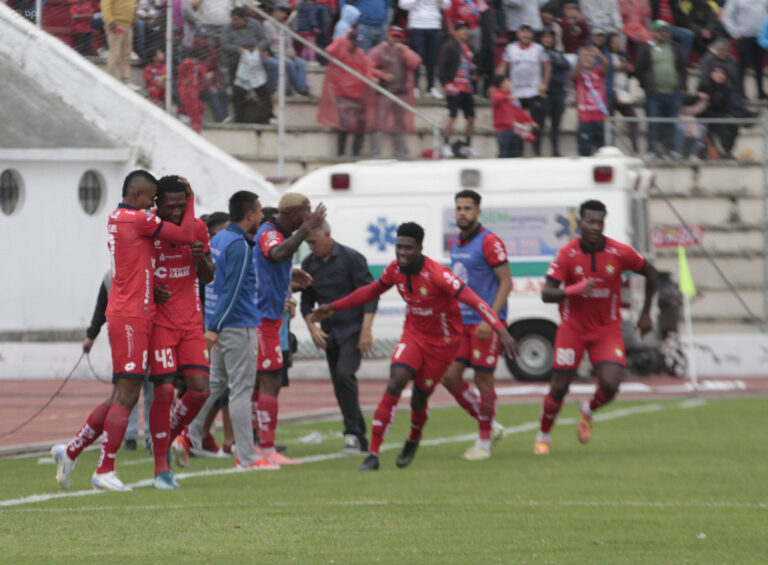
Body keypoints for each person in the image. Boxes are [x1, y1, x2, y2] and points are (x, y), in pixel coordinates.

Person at [310, 222, 519, 471]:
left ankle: (414, 436)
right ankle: (373, 454)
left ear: (419, 248)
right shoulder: (395, 270)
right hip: (413, 335)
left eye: (408, 248)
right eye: (399, 247)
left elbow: (475, 301)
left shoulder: (439, 275)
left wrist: (500, 329)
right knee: (395, 380)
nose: (402, 252)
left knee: (419, 400)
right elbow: (369, 292)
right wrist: (334, 306)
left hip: (442, 344)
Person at [51, 171, 197, 492]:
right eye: (152, 199)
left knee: (119, 395)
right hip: (131, 316)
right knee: (128, 395)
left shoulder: (121, 217)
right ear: (138, 196)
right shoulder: (137, 219)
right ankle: (104, 469)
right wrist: (190, 198)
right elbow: (186, 234)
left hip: (132, 312)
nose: (155, 205)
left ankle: (71, 451)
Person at [533, 199, 657, 455]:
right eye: (590, 221)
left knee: (612, 384)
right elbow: (546, 293)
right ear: (580, 223)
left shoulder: (619, 252)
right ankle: (543, 435)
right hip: (573, 329)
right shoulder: (567, 254)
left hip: (606, 329)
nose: (595, 226)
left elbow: (652, 274)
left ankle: (588, 410)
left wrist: (645, 314)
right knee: (559, 387)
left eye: (600, 222)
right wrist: (573, 290)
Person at [137, 176, 214, 489]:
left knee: (200, 390)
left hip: (192, 323)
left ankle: (166, 436)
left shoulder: (197, 228)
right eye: (170, 206)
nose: (176, 212)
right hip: (160, 324)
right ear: (158, 204)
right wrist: (153, 291)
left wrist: (200, 258)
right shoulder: (147, 228)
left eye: (181, 206)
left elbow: (208, 277)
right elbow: (131, 272)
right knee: (165, 391)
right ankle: (161, 468)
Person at [187, 191, 268, 470]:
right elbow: (232, 290)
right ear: (249, 215)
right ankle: (247, 457)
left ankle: (187, 437)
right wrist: (217, 326)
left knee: (214, 385)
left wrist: (212, 324)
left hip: (217, 325)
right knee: (242, 390)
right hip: (236, 325)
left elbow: (212, 284)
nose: (261, 217)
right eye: (259, 212)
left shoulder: (219, 238)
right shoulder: (241, 245)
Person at [252, 193, 326, 467]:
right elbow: (273, 253)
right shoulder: (271, 233)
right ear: (295, 216)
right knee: (268, 381)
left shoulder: (276, 232)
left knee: (262, 383)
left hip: (269, 318)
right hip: (262, 320)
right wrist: (306, 230)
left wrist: (289, 274)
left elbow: (270, 262)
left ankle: (255, 447)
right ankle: (263, 449)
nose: (310, 220)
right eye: (307, 214)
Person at [441, 190, 512, 461]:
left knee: (483, 380)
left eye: (468, 208)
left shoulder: (489, 241)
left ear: (478, 212)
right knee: (449, 377)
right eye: (458, 208)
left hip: (485, 322)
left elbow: (506, 281)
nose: (462, 213)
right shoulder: (456, 242)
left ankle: (482, 443)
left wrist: (490, 320)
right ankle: (491, 426)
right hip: (461, 322)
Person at [300, 221, 377, 453]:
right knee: (338, 385)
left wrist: (366, 329)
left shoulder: (352, 258)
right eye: (307, 244)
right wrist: (312, 328)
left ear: (327, 234)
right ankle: (360, 437)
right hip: (328, 331)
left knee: (345, 374)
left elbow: (370, 295)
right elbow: (306, 301)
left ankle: (352, 434)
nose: (311, 247)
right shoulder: (309, 264)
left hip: (352, 328)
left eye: (314, 242)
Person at [317, 29, 375, 157]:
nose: (354, 46)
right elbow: (328, 52)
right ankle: (340, 153)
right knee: (343, 125)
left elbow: (367, 69)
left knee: (360, 126)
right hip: (341, 93)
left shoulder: (359, 53)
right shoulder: (339, 47)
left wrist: (372, 78)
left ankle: (356, 153)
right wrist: (341, 39)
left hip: (358, 94)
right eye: (352, 42)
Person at [496, 23, 550, 156]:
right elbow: (503, 66)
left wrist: (545, 83)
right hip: (516, 93)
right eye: (522, 32)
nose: (525, 35)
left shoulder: (539, 49)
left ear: (532, 35)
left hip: (534, 91)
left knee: (537, 123)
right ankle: (518, 152)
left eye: (528, 32)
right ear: (518, 34)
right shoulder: (511, 48)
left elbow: (547, 66)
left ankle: (536, 151)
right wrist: (499, 83)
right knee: (517, 124)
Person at [635, 20, 687, 158]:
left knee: (672, 123)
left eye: (665, 31)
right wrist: (645, 85)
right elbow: (639, 69)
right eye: (660, 31)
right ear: (654, 32)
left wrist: (682, 86)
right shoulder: (647, 48)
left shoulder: (675, 47)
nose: (663, 34)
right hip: (654, 94)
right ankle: (651, 150)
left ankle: (671, 150)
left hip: (674, 93)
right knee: (653, 123)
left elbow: (682, 67)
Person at [368, 26, 422, 159]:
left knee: (400, 123)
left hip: (401, 92)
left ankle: (402, 153)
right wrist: (381, 75)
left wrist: (405, 51)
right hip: (383, 91)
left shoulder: (405, 50)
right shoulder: (379, 50)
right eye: (393, 36)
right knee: (379, 122)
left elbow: (416, 62)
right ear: (388, 36)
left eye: (399, 37)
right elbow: (368, 66)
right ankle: (375, 154)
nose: (396, 39)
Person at [220, 7, 274, 123]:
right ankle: (239, 118)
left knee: (262, 89)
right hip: (236, 63)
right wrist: (237, 49)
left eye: (237, 20)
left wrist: (258, 48)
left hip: (254, 63)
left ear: (244, 18)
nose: (235, 22)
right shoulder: (228, 29)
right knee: (238, 92)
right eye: (233, 20)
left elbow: (264, 39)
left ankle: (269, 116)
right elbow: (224, 45)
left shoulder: (255, 25)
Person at [438, 20, 478, 158]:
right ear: (455, 32)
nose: (465, 32)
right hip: (454, 87)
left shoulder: (469, 47)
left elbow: (471, 65)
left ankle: (467, 145)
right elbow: (442, 67)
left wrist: (474, 75)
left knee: (471, 117)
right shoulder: (449, 46)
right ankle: (446, 145)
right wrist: (445, 83)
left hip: (467, 87)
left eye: (466, 29)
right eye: (461, 29)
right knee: (452, 116)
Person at [399, 0, 451, 99]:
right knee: (417, 58)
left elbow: (447, 5)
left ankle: (431, 88)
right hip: (417, 25)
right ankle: (415, 87)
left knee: (433, 59)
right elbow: (402, 5)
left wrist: (441, 2)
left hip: (434, 25)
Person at [722, 0, 767, 101]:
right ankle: (740, 91)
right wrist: (735, 33)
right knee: (742, 64)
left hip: (760, 35)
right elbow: (727, 16)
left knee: (759, 65)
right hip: (744, 36)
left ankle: (760, 91)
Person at [264, 2, 310, 96]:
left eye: (284, 12)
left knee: (300, 62)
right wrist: (285, 54)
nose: (282, 14)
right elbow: (268, 45)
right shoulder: (267, 24)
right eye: (279, 11)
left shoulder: (286, 26)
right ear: (274, 12)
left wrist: (292, 52)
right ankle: (299, 88)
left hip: (287, 53)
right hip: (275, 53)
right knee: (289, 63)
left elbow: (289, 44)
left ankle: (303, 86)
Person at [605, 32, 639, 154]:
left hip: (622, 92)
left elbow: (631, 73)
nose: (616, 44)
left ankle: (635, 149)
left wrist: (629, 68)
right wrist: (616, 68)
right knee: (610, 122)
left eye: (618, 42)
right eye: (614, 42)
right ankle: (611, 148)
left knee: (633, 119)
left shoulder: (623, 55)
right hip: (610, 92)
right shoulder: (606, 55)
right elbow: (604, 70)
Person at [573, 44, 609, 156]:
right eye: (585, 57)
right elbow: (575, 73)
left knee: (602, 148)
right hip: (585, 118)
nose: (588, 60)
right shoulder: (579, 76)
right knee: (585, 148)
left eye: (590, 57)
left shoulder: (598, 72)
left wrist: (598, 54)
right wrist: (581, 56)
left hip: (600, 116)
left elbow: (607, 65)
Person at [490, 75, 537, 158]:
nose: (510, 84)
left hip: (516, 129)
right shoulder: (498, 94)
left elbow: (520, 112)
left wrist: (530, 121)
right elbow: (496, 98)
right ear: (502, 84)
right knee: (504, 153)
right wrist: (507, 97)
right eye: (508, 82)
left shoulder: (513, 98)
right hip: (503, 130)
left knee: (516, 154)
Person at [540, 28, 569, 156]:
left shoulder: (558, 53)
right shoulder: (537, 51)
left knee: (556, 124)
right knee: (541, 122)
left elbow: (566, 65)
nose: (548, 40)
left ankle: (555, 150)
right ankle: (538, 151)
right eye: (545, 37)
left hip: (558, 91)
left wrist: (553, 61)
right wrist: (554, 62)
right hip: (545, 92)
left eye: (550, 37)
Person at [102, 0, 139, 85]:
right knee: (115, 54)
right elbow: (105, 6)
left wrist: (134, 15)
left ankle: (126, 80)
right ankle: (112, 80)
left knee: (126, 55)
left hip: (128, 26)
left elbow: (135, 4)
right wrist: (110, 21)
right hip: (116, 25)